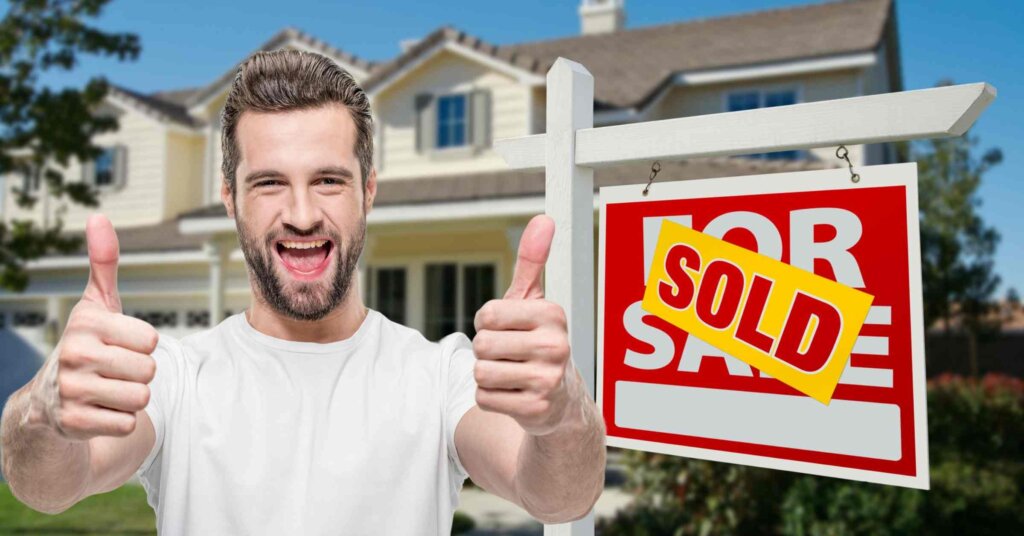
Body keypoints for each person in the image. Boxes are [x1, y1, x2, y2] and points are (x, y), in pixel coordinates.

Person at [0, 49, 606, 534]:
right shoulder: (173, 376)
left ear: (368, 190)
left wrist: (563, 412)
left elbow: (558, 495)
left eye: (328, 180)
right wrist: (43, 410)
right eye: (268, 183)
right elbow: (46, 488)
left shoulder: (440, 374)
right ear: (230, 197)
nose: (301, 213)